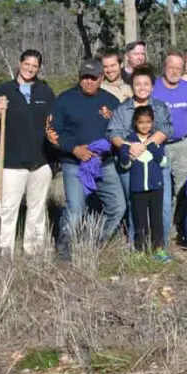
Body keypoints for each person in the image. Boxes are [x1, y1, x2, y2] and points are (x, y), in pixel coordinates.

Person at [0, 49, 56, 256]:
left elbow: (55, 123)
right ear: (19, 63)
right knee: (7, 209)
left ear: (39, 68)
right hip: (11, 163)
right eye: (27, 64)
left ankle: (33, 250)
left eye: (34, 66)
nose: (30, 69)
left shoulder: (45, 92)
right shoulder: (3, 91)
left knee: (37, 208)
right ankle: (4, 251)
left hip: (41, 162)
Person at [49, 60, 125, 258]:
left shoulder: (111, 101)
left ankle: (92, 243)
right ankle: (65, 252)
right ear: (79, 77)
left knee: (118, 207)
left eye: (93, 78)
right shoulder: (64, 100)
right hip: (74, 164)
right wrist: (74, 149)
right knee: (75, 210)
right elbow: (51, 131)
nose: (89, 82)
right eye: (85, 77)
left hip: (104, 164)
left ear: (101, 78)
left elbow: (119, 130)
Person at [106, 67, 174, 246]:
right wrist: (130, 147)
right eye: (137, 84)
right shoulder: (122, 109)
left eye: (146, 84)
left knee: (163, 206)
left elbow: (166, 130)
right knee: (134, 205)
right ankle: (136, 246)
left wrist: (144, 146)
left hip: (156, 163)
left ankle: (161, 247)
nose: (142, 87)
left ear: (152, 87)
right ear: (131, 86)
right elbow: (114, 134)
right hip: (131, 162)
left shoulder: (159, 107)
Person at [153, 52, 187, 239]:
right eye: (170, 66)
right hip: (159, 146)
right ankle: (162, 233)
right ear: (164, 67)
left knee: (184, 189)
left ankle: (181, 227)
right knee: (163, 192)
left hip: (183, 145)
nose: (174, 71)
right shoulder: (153, 86)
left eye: (178, 67)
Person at [116, 106, 169, 260]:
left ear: (152, 123)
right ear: (135, 123)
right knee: (140, 220)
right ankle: (140, 249)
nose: (145, 125)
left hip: (156, 187)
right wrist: (128, 156)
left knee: (156, 219)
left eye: (148, 122)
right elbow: (124, 165)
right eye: (141, 122)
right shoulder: (129, 142)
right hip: (138, 188)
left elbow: (164, 162)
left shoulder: (156, 141)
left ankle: (158, 249)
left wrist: (153, 148)